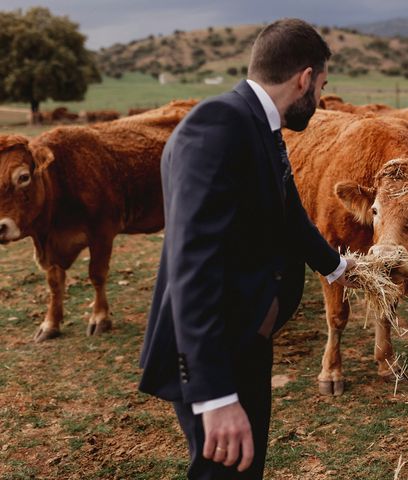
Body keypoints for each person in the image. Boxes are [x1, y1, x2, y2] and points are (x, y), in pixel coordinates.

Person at [138, 18, 355, 479]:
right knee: (225, 473)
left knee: (246, 469)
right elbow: (190, 263)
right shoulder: (217, 125)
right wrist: (214, 395)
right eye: (322, 85)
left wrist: (338, 267)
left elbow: (287, 212)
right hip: (218, 349)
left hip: (245, 336)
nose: (320, 98)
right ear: (304, 79)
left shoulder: (257, 123)